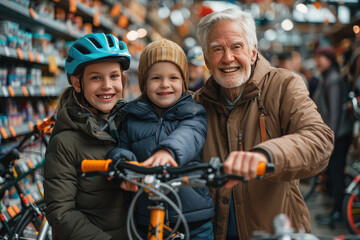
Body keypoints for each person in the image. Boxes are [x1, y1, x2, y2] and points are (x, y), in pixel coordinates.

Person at [193, 8, 334, 239]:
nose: (228, 58)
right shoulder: (196, 103)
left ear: (252, 51)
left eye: (236, 46)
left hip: (276, 231)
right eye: (217, 49)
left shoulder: (284, 85)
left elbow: (319, 140)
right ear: (207, 59)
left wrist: (265, 156)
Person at [107, 38, 215, 239]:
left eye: (173, 78)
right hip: (147, 221)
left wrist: (169, 150)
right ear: (144, 82)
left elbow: (191, 134)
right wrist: (123, 162)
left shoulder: (193, 112)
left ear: (184, 81)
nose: (165, 84)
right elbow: (120, 147)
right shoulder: (131, 116)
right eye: (156, 78)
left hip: (193, 221)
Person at [43, 33, 132, 240]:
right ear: (77, 83)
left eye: (114, 76)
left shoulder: (131, 125)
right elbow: (61, 213)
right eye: (95, 78)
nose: (107, 85)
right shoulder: (64, 143)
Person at [312, 46, 353, 229]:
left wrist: (329, 141)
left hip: (338, 135)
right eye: (316, 58)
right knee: (334, 175)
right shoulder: (328, 77)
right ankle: (335, 210)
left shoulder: (333, 79)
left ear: (330, 59)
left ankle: (337, 213)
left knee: (336, 175)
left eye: (321, 58)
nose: (317, 61)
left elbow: (334, 114)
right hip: (335, 134)